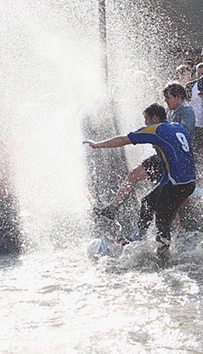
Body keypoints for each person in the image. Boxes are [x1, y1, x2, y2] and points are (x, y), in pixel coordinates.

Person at [84, 103, 196, 259]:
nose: (145, 123)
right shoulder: (179, 127)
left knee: (162, 219)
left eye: (146, 120)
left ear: (154, 118)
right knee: (148, 202)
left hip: (175, 183)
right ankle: (138, 238)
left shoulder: (156, 129)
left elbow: (123, 139)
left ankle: (164, 256)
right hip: (188, 181)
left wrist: (97, 145)